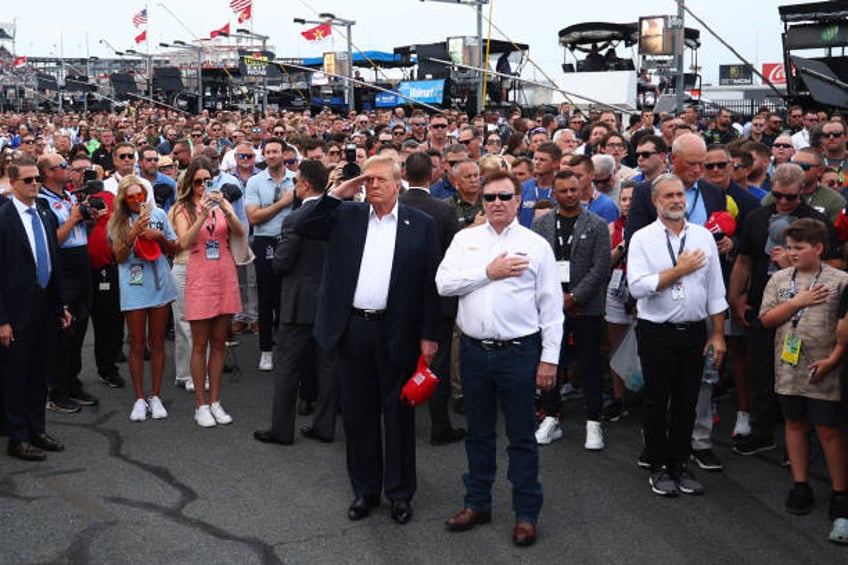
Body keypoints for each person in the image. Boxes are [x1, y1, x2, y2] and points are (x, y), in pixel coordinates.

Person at [296, 154, 441, 525]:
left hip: (398, 329)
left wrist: (429, 335)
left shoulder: (419, 224)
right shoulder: (347, 214)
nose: (371, 185)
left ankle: (399, 494)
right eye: (367, 179)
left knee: (398, 416)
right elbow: (302, 224)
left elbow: (430, 284)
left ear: (397, 184)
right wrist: (338, 192)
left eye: (379, 180)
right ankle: (365, 490)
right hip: (352, 328)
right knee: (358, 416)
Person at [437, 170, 563, 547]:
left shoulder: (536, 244)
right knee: (478, 434)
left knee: (522, 436)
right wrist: (486, 273)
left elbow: (551, 308)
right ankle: (477, 503)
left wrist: (550, 360)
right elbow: (443, 284)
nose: (496, 204)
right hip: (474, 352)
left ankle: (526, 513)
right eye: (489, 197)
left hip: (519, 353)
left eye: (504, 197)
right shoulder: (465, 239)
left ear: (518, 199)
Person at [627, 173, 727, 497]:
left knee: (688, 401)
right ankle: (657, 465)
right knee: (657, 400)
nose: (676, 201)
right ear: (655, 201)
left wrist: (718, 335)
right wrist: (678, 271)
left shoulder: (702, 236)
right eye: (668, 196)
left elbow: (716, 290)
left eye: (680, 195)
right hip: (656, 331)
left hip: (694, 332)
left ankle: (679, 464)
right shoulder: (642, 239)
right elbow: (638, 286)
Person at [760, 218, 848, 540]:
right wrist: (797, 302)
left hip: (825, 366)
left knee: (827, 429)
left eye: (800, 248)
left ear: (819, 248)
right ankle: (800, 484)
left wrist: (834, 359)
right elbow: (767, 319)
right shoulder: (779, 280)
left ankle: (840, 492)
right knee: (793, 423)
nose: (792, 253)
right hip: (789, 366)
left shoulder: (840, 281)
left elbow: (845, 329)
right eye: (790, 248)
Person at [254, 160, 337, 445]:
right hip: (329, 301)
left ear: (305, 185)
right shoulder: (338, 214)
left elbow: (281, 262)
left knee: (287, 367)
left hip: (299, 303)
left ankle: (281, 429)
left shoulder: (296, 219)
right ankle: (325, 426)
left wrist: (277, 256)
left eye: (296, 181)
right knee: (327, 367)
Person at [531, 170, 611, 449]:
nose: (569, 195)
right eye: (563, 191)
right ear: (554, 193)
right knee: (550, 362)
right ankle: (551, 417)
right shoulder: (541, 225)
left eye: (573, 190)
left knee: (590, 364)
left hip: (586, 307)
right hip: (550, 306)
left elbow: (601, 268)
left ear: (581, 190)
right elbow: (536, 266)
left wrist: (575, 297)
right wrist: (555, 299)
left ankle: (593, 422)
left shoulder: (597, 224)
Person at [0, 157, 71, 461]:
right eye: (28, 180)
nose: (34, 185)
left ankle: (36, 430)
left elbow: (53, 261)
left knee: (40, 371)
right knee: (16, 375)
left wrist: (61, 304)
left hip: (45, 306)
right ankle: (16, 437)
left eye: (37, 180)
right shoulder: (3, 219)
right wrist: (2, 320)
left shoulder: (44, 213)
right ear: (13, 183)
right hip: (16, 310)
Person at [399, 151, 465, 445]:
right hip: (437, 298)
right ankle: (440, 426)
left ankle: (402, 421)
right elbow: (455, 253)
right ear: (433, 175)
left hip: (399, 299)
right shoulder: (443, 210)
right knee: (436, 365)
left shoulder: (394, 206)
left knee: (400, 361)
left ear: (404, 174)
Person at [172, 158, 244, 427]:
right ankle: (200, 404)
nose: (203, 186)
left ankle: (215, 400)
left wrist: (226, 208)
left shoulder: (221, 206)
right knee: (199, 343)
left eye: (207, 181)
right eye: (198, 181)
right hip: (199, 273)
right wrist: (202, 213)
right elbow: (184, 242)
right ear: (190, 184)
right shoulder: (183, 208)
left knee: (219, 343)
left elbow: (239, 232)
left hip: (224, 272)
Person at [107, 176, 181, 422]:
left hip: (159, 283)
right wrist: (134, 233)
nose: (138, 200)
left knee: (157, 341)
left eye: (141, 195)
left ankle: (155, 395)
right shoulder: (116, 221)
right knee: (137, 344)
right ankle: (140, 397)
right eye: (132, 196)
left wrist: (158, 237)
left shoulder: (159, 214)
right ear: (123, 199)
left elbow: (174, 249)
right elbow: (119, 257)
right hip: (134, 286)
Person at [245, 138, 296, 372]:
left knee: (290, 295)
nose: (272, 155)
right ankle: (266, 349)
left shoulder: (296, 179)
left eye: (276, 151)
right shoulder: (255, 181)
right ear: (263, 155)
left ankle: (286, 346)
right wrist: (283, 203)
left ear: (285, 154)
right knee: (266, 296)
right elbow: (253, 218)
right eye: (268, 152)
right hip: (265, 240)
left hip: (292, 241)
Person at [603, 181, 636, 422]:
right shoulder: (612, 228)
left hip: (641, 293)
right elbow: (604, 263)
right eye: (623, 199)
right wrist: (623, 247)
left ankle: (638, 395)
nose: (627, 204)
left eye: (632, 199)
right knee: (616, 345)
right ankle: (619, 396)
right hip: (616, 289)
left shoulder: (650, 228)